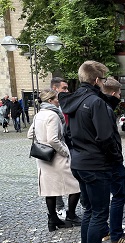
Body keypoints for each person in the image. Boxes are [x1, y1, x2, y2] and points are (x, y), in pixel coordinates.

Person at [59, 60, 121, 243]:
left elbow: (66, 134)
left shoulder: (73, 101)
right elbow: (106, 138)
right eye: (102, 80)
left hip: (80, 163)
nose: (103, 83)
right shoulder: (95, 102)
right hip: (95, 166)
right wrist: (114, 160)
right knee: (98, 213)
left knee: (89, 211)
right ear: (96, 80)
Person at [27, 89, 82, 231]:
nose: (59, 100)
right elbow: (53, 139)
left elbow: (30, 134)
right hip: (56, 157)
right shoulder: (53, 115)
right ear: (50, 101)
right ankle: (71, 215)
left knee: (50, 189)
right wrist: (64, 152)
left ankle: (53, 219)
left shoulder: (39, 114)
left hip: (43, 157)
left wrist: (41, 141)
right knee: (76, 185)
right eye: (56, 98)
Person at [101, 77, 125, 243]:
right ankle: (116, 235)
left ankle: (105, 231)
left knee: (101, 198)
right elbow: (107, 138)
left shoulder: (92, 105)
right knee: (118, 196)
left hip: (93, 162)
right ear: (116, 93)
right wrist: (116, 157)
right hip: (109, 162)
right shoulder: (105, 108)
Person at [51, 77, 70, 217]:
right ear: (55, 89)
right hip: (57, 150)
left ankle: (75, 208)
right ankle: (59, 207)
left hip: (69, 145)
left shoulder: (66, 105)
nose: (66, 91)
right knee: (56, 180)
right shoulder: (48, 110)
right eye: (63, 88)